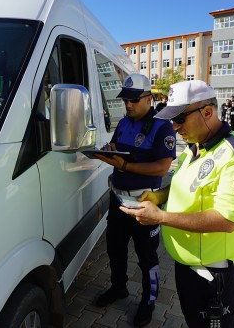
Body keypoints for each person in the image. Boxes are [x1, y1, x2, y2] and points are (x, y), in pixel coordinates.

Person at [122, 80, 234, 328]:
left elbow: (227, 220)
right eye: (171, 119)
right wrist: (159, 196)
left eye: (180, 119)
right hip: (188, 267)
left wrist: (161, 217)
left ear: (207, 112)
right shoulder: (195, 147)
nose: (174, 127)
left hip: (214, 276)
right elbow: (183, 184)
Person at [93, 73, 176, 327]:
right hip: (118, 201)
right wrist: (107, 152)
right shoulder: (124, 122)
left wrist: (126, 165)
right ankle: (119, 288)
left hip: (144, 204)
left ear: (149, 98)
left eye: (133, 100)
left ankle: (148, 302)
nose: (128, 105)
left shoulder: (162, 126)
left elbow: (162, 168)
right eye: (125, 100)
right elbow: (116, 148)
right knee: (115, 250)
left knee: (146, 257)